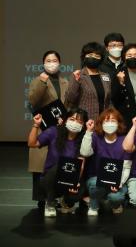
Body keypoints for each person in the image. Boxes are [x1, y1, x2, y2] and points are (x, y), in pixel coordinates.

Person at [27, 108, 88, 217]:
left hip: (70, 177)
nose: (75, 123)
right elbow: (32, 143)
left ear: (83, 125)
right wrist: (36, 125)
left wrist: (75, 182)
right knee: (59, 166)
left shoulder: (84, 139)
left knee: (78, 192)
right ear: (65, 120)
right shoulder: (54, 132)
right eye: (72, 119)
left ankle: (66, 202)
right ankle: (50, 203)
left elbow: (81, 164)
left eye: (79, 121)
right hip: (50, 178)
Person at [28, 50, 69, 206]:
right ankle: (41, 198)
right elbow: (33, 101)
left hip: (60, 128)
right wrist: (43, 82)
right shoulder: (37, 80)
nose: (52, 63)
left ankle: (56, 196)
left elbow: (68, 104)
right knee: (40, 163)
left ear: (59, 63)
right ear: (43, 63)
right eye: (48, 61)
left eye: (54, 60)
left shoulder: (65, 82)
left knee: (57, 163)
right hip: (44, 127)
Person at [80, 107, 131, 215]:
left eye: (113, 121)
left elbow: (127, 167)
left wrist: (119, 183)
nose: (110, 124)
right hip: (96, 180)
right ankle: (94, 205)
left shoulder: (124, 140)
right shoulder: (96, 137)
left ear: (118, 123)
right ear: (101, 123)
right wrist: (88, 131)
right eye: (106, 121)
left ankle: (113, 204)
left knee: (116, 197)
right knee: (95, 184)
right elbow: (85, 152)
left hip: (117, 182)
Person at [65, 42, 112, 121]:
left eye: (97, 56)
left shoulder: (105, 76)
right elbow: (70, 99)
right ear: (84, 57)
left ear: (101, 59)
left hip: (103, 121)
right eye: (90, 55)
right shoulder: (78, 75)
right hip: (84, 120)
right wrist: (76, 82)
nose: (93, 58)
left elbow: (108, 100)